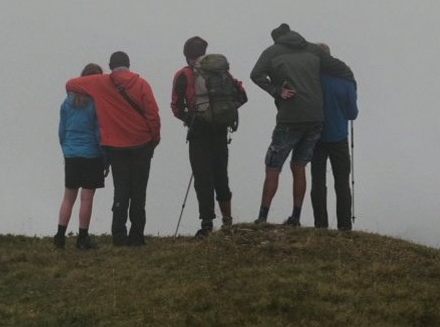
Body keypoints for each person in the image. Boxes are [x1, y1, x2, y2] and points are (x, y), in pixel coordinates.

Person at [250, 23, 355, 226]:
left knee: (273, 166)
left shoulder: (272, 52)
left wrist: (276, 91)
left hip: (290, 116)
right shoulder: (312, 49)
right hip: (316, 118)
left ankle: (262, 217)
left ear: (276, 39)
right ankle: (296, 217)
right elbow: (341, 68)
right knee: (299, 166)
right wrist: (351, 83)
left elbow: (256, 75)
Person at [66, 51, 161, 246]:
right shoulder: (142, 84)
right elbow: (153, 114)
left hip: (116, 147)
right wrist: (154, 138)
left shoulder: (102, 83)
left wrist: (94, 84)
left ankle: (119, 236)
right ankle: (137, 237)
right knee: (138, 191)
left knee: (121, 191)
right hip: (142, 144)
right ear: (129, 64)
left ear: (110, 66)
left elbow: (70, 84)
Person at [170, 36, 247, 238]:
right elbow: (242, 95)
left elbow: (176, 107)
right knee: (221, 175)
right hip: (220, 131)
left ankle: (206, 224)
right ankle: (228, 221)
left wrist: (191, 118)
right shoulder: (222, 72)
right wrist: (224, 113)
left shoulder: (184, 74)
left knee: (202, 178)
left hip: (199, 133)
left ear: (187, 55)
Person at [309, 43, 359, 230]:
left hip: (316, 136)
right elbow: (352, 114)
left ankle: (320, 224)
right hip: (339, 136)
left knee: (318, 180)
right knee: (342, 181)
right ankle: (344, 225)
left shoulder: (311, 80)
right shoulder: (345, 81)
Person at [55, 63, 104, 250]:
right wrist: (104, 154)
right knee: (87, 197)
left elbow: (62, 130)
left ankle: (60, 236)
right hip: (92, 153)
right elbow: (99, 132)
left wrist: (66, 150)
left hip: (71, 152)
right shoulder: (97, 103)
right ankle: (82, 237)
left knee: (68, 196)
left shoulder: (67, 102)